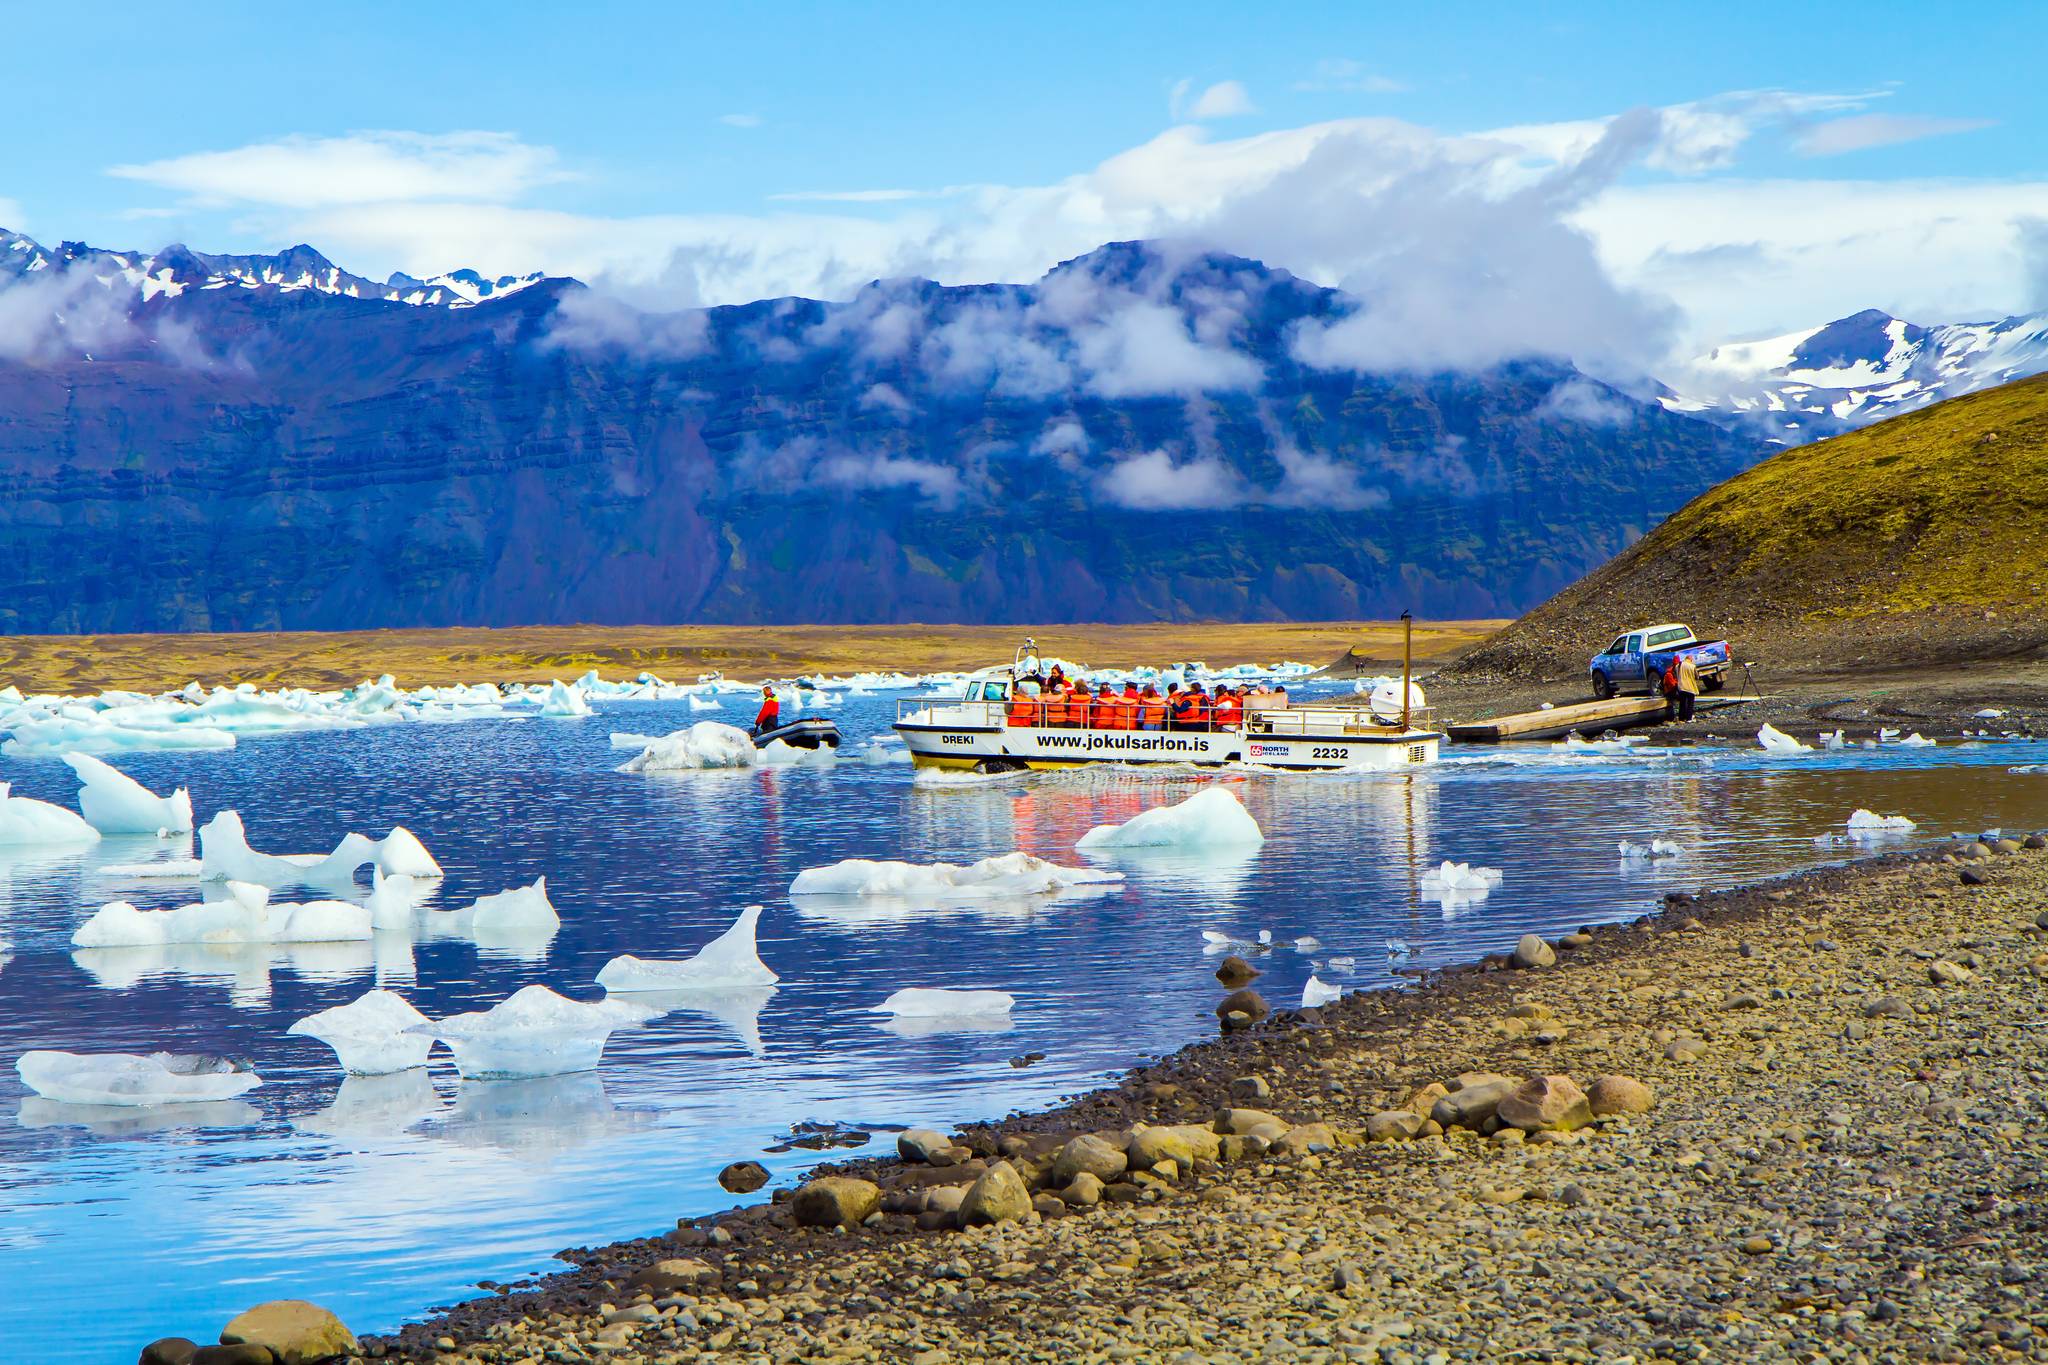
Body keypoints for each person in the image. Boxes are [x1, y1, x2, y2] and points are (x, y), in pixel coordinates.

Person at [1674, 652, 1700, 723]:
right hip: (1690, 687)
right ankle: (1689, 718)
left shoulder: (1678, 666)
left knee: (1682, 703)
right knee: (1690, 703)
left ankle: (1681, 718)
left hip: (1681, 687)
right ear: (1690, 659)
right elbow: (1697, 677)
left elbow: (1676, 675)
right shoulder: (1692, 666)